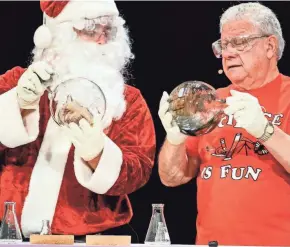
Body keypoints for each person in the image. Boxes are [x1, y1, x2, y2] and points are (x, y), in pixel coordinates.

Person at [0, 0, 155, 241]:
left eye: (109, 30)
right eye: (90, 28)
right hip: (11, 233)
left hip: (94, 238)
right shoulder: (19, 81)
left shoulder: (128, 100)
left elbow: (139, 171)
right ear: (59, 34)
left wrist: (96, 150)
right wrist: (18, 104)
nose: (102, 39)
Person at [158, 2, 290, 246]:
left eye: (239, 43)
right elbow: (172, 177)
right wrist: (175, 139)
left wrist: (265, 131)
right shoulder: (210, 102)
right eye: (223, 45)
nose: (228, 54)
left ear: (270, 46)